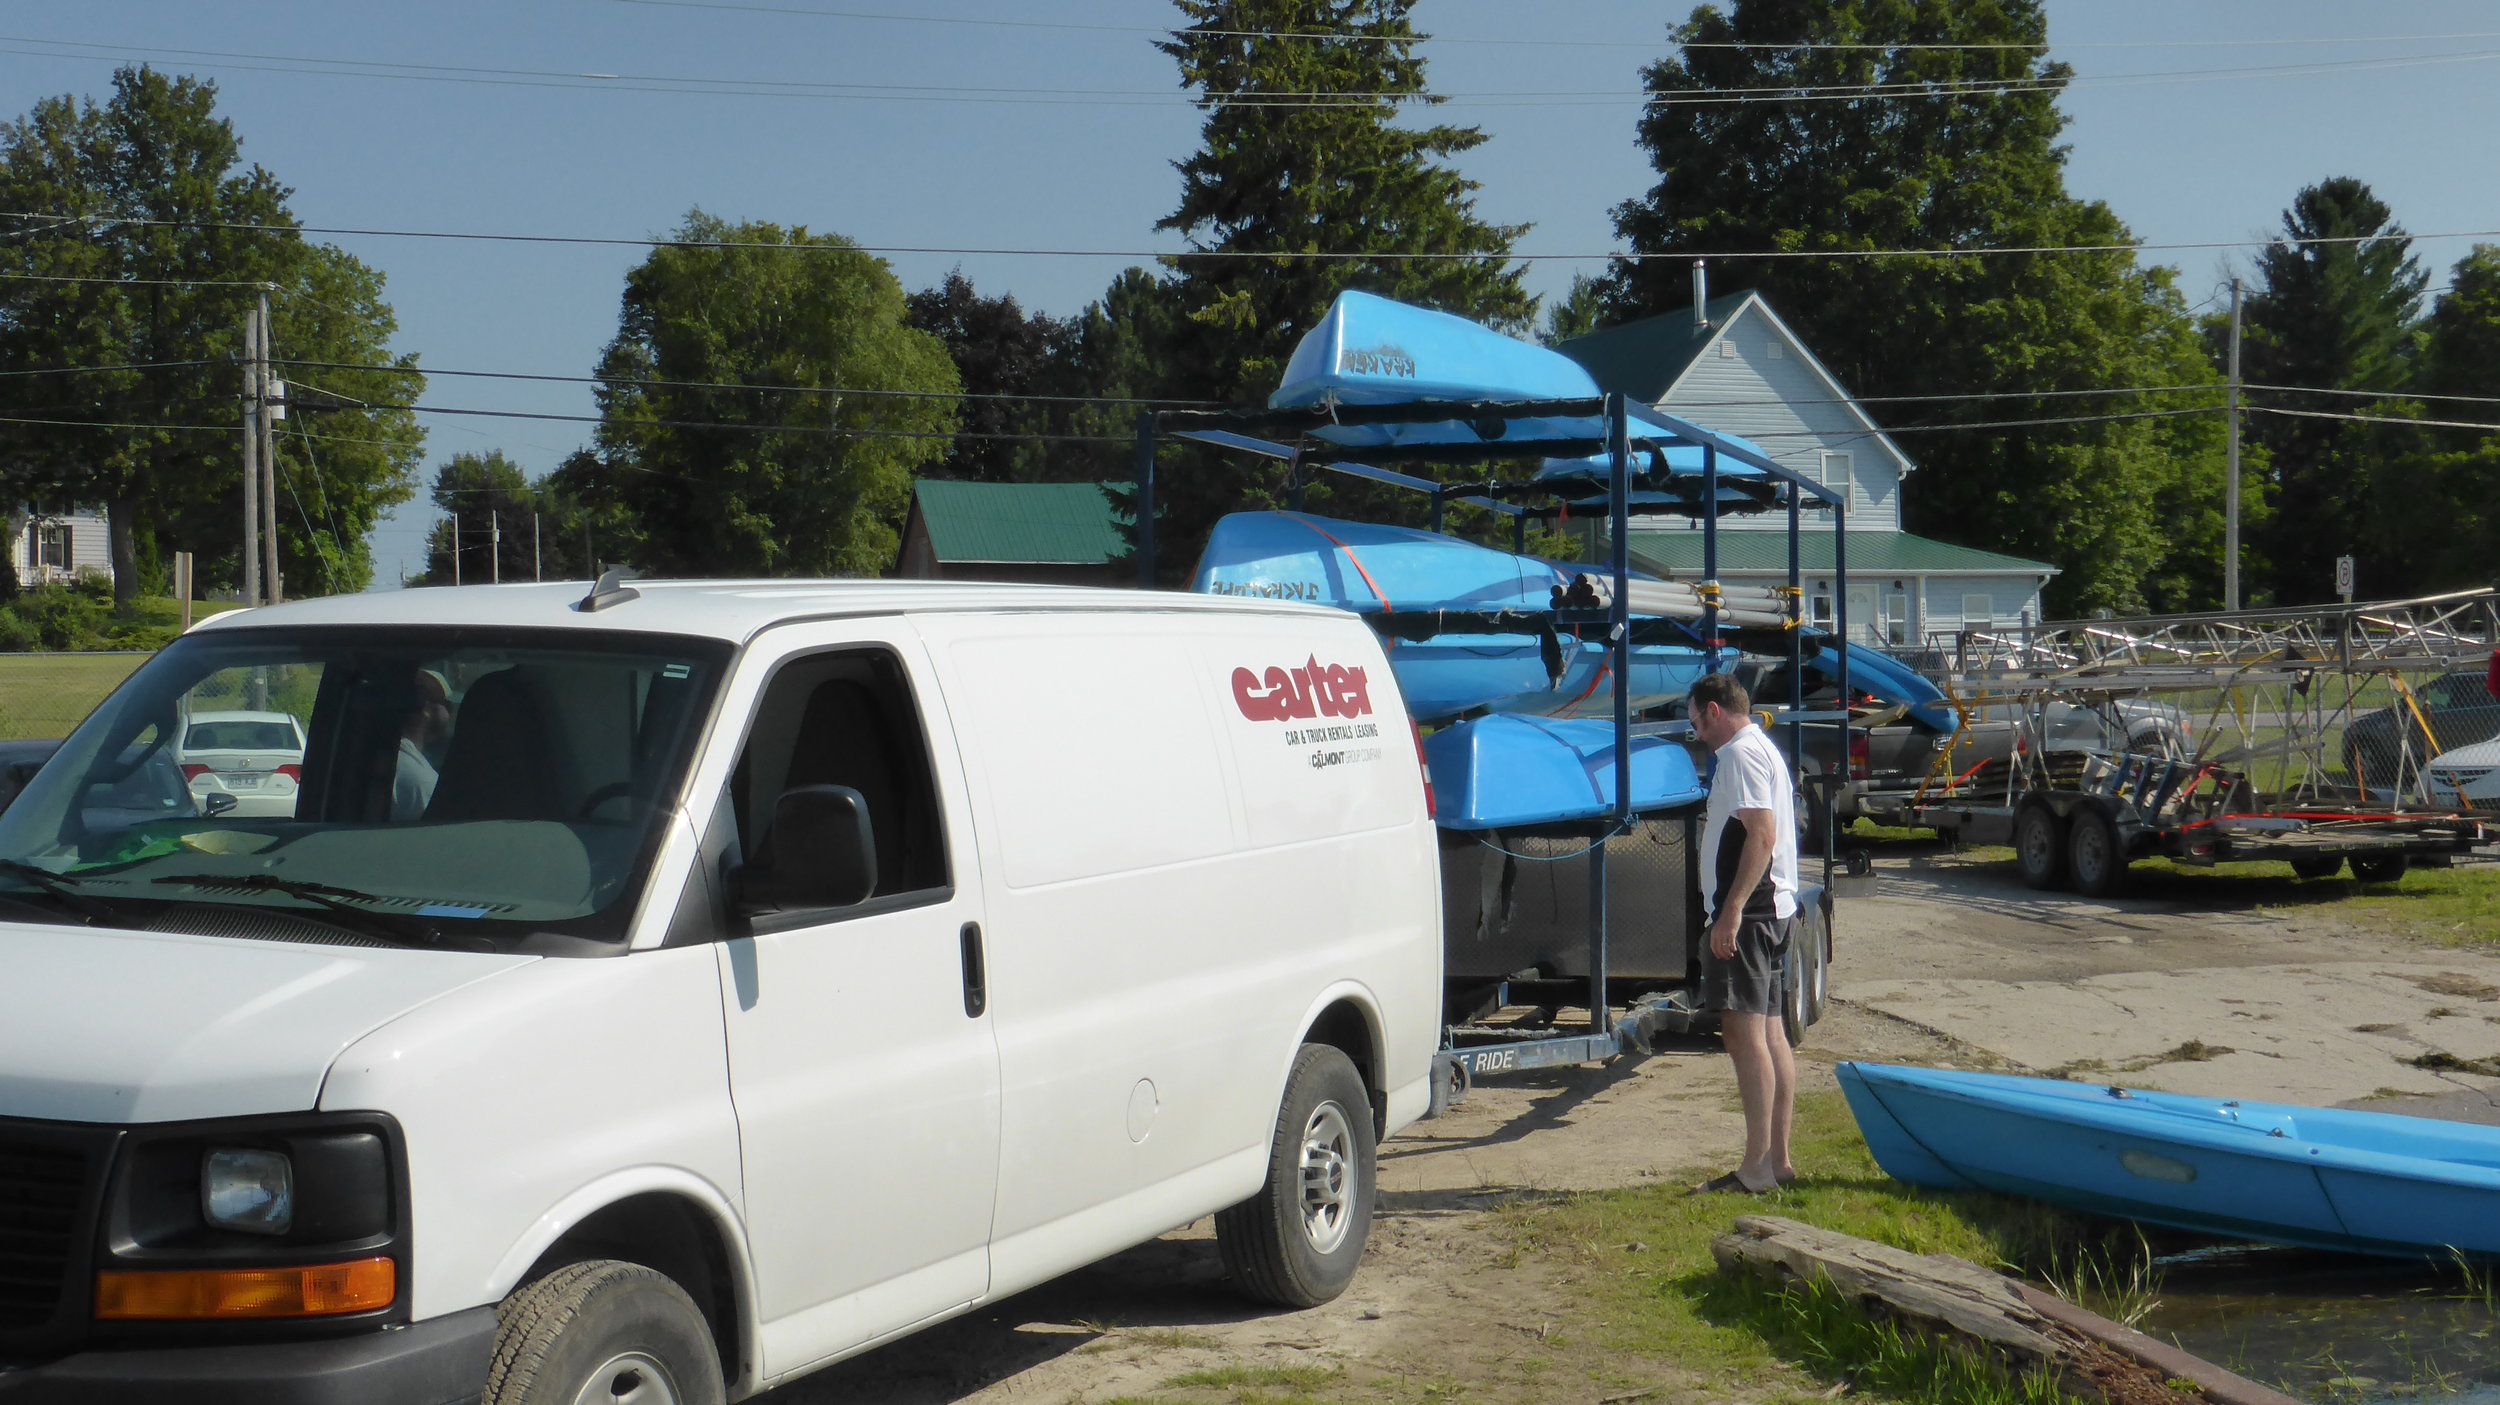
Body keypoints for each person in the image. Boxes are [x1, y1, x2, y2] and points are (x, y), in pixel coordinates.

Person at [1687, 671, 1801, 1195]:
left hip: (1751, 914)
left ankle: (1755, 1168)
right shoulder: (1763, 748)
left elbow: (1762, 834)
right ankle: (1776, 1161)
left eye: (1696, 724)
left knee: (1744, 1036)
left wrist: (1730, 910)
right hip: (1771, 910)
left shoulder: (1737, 754)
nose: (1697, 736)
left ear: (1713, 711)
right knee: (1771, 1033)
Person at [392, 669, 452, 822]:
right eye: (445, 704)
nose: (449, 713)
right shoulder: (420, 782)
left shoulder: (392, 759)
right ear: (426, 708)